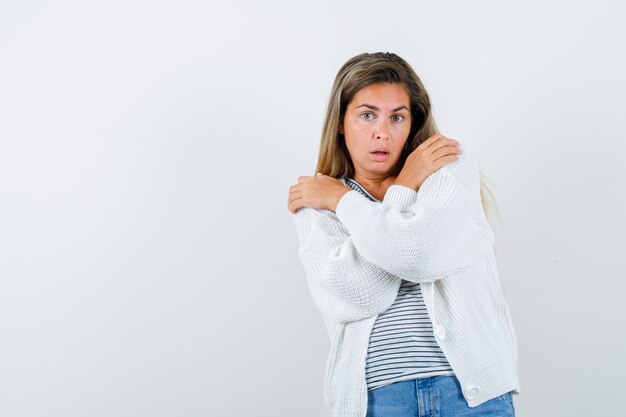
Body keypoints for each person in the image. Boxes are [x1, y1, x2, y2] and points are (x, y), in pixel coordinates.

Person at [287, 52, 521, 417]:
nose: (382, 131)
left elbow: (416, 255)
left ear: (413, 124)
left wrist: (351, 199)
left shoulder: (446, 167)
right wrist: (374, 194)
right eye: (367, 115)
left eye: (397, 117)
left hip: (469, 395)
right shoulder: (316, 202)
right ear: (340, 123)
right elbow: (362, 293)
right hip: (378, 401)